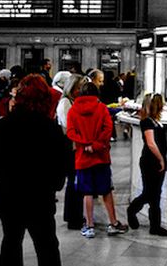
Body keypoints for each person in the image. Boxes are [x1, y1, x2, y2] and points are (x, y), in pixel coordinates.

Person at [0, 74, 68, 266]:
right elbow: (61, 162)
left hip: (9, 195)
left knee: (11, 242)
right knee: (47, 245)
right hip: (40, 196)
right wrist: (55, 185)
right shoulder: (51, 128)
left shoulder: (3, 126)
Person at [66, 82, 128, 238]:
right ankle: (113, 223)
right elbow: (107, 129)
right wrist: (96, 144)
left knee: (87, 192)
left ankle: (89, 226)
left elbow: (71, 132)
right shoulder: (101, 108)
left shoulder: (73, 110)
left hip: (82, 157)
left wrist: (85, 143)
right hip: (101, 156)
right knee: (106, 191)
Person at [127, 94, 167, 236]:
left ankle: (155, 225)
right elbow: (151, 143)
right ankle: (133, 210)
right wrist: (161, 159)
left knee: (155, 193)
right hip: (150, 162)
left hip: (154, 161)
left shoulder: (154, 121)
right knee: (150, 193)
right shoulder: (147, 122)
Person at [56, 73, 85, 230]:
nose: (80, 91)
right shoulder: (65, 103)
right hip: (69, 147)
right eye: (78, 88)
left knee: (76, 181)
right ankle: (73, 217)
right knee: (73, 182)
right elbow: (69, 127)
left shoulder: (73, 101)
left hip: (74, 145)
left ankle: (76, 214)